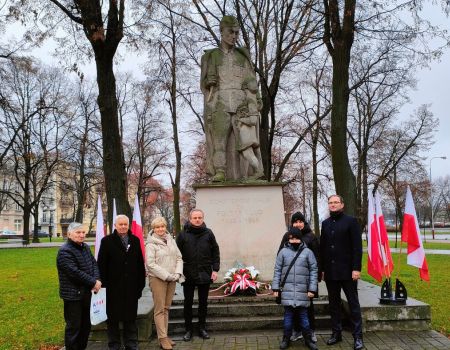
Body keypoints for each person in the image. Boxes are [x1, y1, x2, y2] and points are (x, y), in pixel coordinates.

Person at [201, 15, 264, 182]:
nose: (234, 36)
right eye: (231, 32)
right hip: (219, 104)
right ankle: (220, 171)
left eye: (236, 33)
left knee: (246, 142)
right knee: (219, 142)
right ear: (222, 32)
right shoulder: (211, 56)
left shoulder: (242, 56)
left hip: (241, 104)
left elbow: (251, 80)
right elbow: (205, 84)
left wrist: (256, 98)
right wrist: (208, 82)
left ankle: (253, 172)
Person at [319, 195, 364, 350]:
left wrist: (356, 268)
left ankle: (358, 337)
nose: (333, 205)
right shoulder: (325, 224)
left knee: (353, 304)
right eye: (330, 203)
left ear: (342, 204)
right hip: (331, 272)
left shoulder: (351, 222)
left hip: (348, 271)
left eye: (336, 202)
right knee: (334, 305)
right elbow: (323, 249)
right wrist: (322, 269)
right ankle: (336, 333)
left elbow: (357, 248)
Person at [98, 214, 146, 350]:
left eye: (126, 224)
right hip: (113, 289)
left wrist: (140, 286)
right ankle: (114, 345)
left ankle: (131, 343)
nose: (123, 226)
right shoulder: (106, 241)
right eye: (121, 224)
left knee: (130, 318)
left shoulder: (135, 240)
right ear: (115, 226)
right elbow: (101, 265)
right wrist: (104, 287)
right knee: (112, 319)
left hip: (131, 288)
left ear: (129, 225)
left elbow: (140, 265)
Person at [176, 209, 220, 341]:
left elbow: (215, 252)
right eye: (195, 217)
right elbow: (176, 254)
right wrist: (178, 271)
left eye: (199, 217)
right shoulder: (183, 235)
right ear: (190, 219)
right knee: (188, 303)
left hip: (205, 273)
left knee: (203, 303)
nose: (197, 220)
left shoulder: (209, 233)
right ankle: (188, 330)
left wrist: (215, 269)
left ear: (203, 218)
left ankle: (202, 328)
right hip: (188, 273)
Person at [56, 222, 101, 350]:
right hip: (73, 296)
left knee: (85, 327)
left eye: (83, 232)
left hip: (87, 294)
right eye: (78, 232)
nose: (81, 235)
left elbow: (94, 264)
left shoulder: (85, 247)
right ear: (69, 234)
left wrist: (97, 279)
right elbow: (74, 273)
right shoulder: (64, 251)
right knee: (74, 328)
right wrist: (93, 282)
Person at [272, 228, 319, 350]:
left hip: (303, 291)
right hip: (287, 291)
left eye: (296, 238)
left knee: (304, 318)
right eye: (291, 238)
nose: (294, 240)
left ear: (301, 239)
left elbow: (314, 271)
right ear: (288, 239)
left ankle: (308, 339)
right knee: (288, 318)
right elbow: (277, 270)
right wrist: (276, 287)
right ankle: (286, 339)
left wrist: (312, 289)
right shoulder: (282, 252)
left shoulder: (308, 252)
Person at [145, 217, 184, 350]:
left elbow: (179, 257)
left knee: (166, 308)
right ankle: (162, 338)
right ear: (153, 229)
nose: (160, 229)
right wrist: (167, 276)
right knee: (160, 309)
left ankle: (165, 335)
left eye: (162, 226)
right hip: (158, 279)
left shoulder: (171, 240)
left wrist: (177, 273)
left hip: (172, 278)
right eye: (157, 227)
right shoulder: (151, 244)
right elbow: (150, 264)